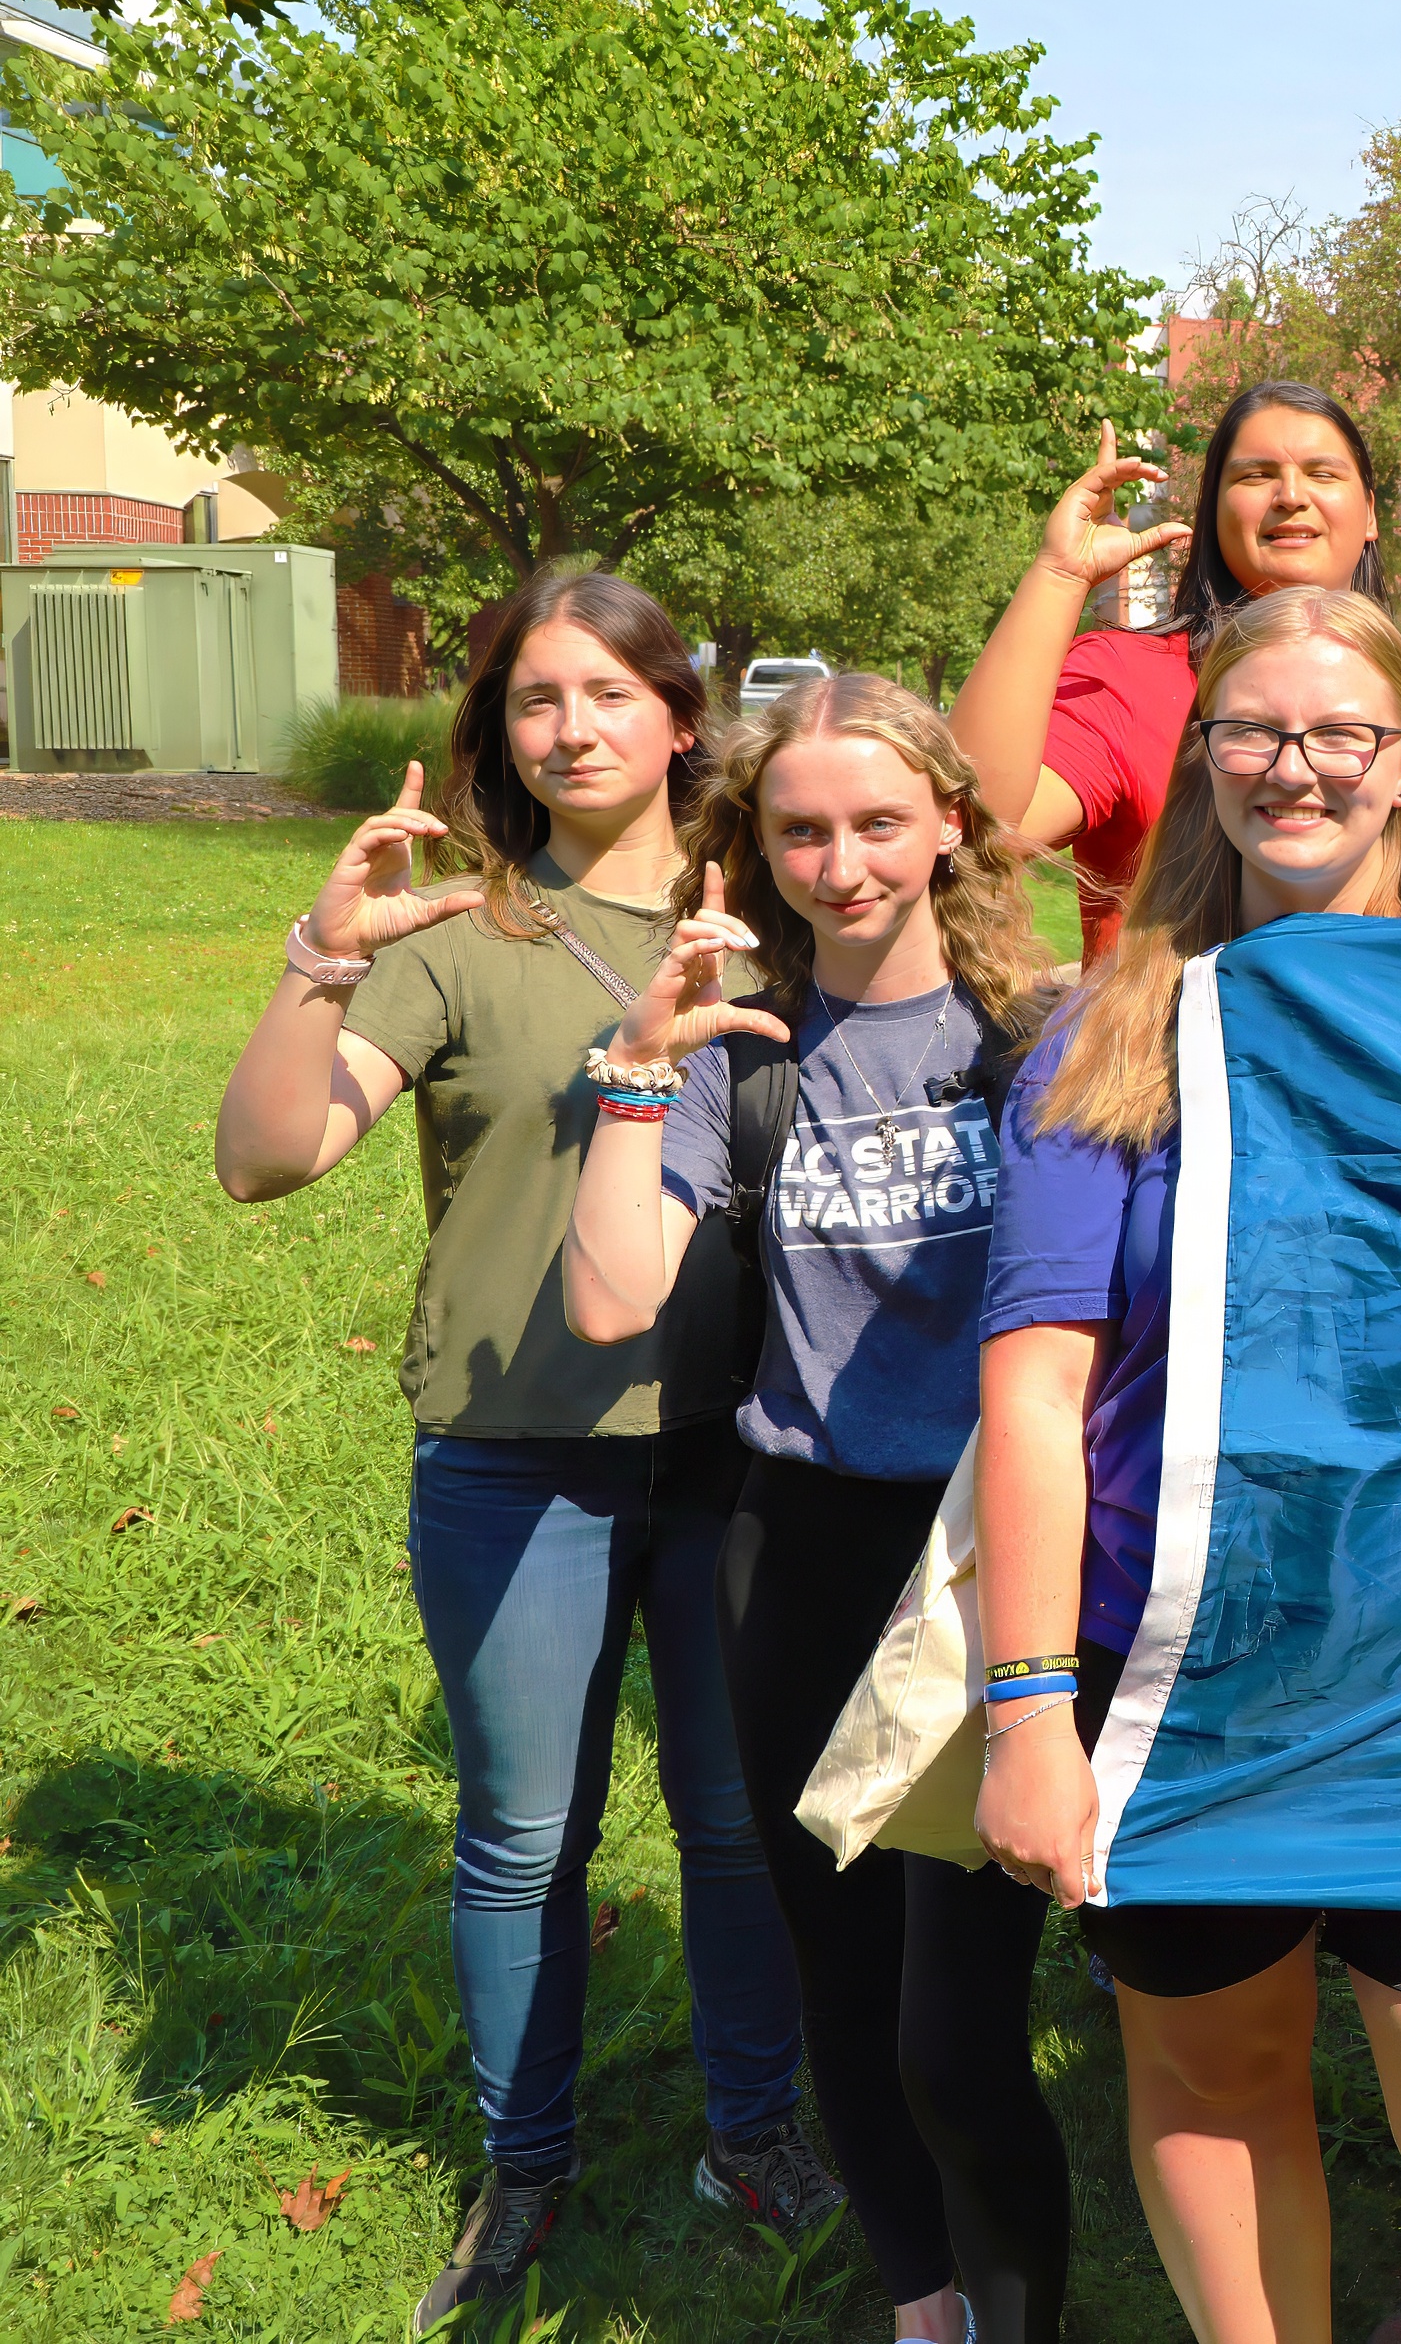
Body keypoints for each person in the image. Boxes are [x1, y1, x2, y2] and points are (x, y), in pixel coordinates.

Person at [971, 587, 1401, 2344]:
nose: (1296, 768)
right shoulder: (1113, 1029)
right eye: (1254, 732)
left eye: (1338, 732)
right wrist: (1028, 1713)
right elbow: (1039, 1395)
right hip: (1179, 1664)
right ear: (1202, 762)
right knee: (1217, 2080)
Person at [212, 572, 826, 2334]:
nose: (570, 729)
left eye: (607, 695)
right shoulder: (459, 937)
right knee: (521, 1835)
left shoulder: (773, 909)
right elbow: (267, 1157)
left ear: (680, 715)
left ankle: (756, 2131)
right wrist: (322, 959)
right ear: (499, 731)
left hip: (736, 1445)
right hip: (515, 1451)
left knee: (733, 1821)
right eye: (535, 699)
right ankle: (527, 2161)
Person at [555, 675, 1070, 2342]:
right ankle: (923, 2301)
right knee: (839, 1975)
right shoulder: (738, 1053)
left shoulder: (1037, 1034)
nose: (841, 861)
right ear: (750, 846)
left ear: (947, 826)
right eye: (799, 830)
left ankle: (1021, 2308)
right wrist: (640, 1076)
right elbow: (615, 1298)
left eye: (875, 822)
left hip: (993, 1550)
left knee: (960, 2018)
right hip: (799, 1549)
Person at [949, 387, 1401, 963]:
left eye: (1322, 473)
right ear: (1212, 511)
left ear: (1369, 513)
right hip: (1155, 1040)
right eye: (1255, 475)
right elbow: (968, 829)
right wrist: (1060, 576)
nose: (1291, 496)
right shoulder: (1123, 680)